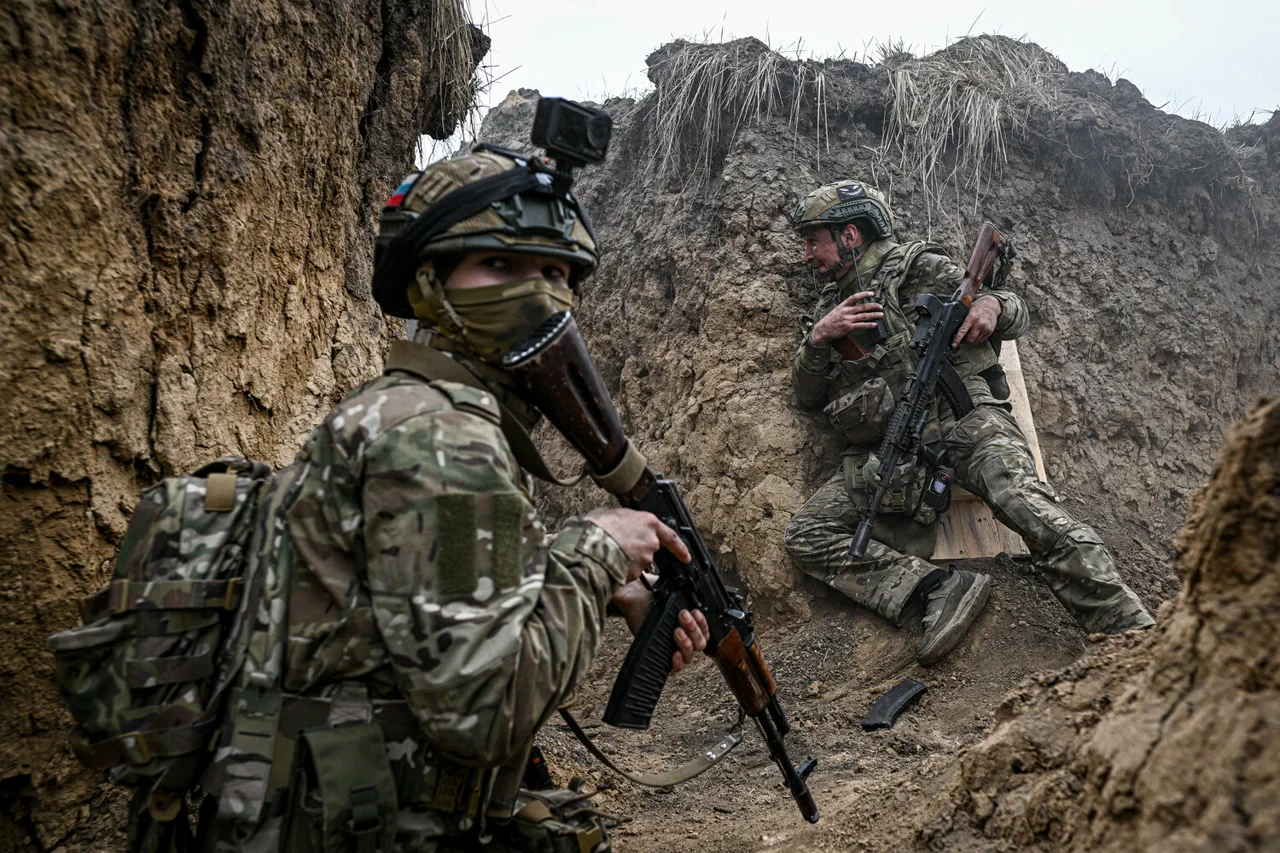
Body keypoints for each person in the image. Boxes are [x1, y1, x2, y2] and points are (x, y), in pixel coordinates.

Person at [200, 147, 709, 852]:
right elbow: (485, 711)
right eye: (499, 266)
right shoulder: (445, 442)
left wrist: (601, 591)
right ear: (430, 280)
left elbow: (433, 606)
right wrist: (595, 550)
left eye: (556, 275)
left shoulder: (421, 414)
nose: (538, 297)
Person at [783, 180, 1154, 664]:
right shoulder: (828, 313)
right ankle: (939, 588)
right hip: (900, 450)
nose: (807, 254)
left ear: (850, 235)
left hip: (965, 421)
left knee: (1026, 506)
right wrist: (817, 339)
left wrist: (992, 304)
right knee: (807, 534)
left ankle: (1134, 636)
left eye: (814, 240)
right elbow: (807, 395)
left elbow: (1014, 307)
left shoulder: (914, 267)